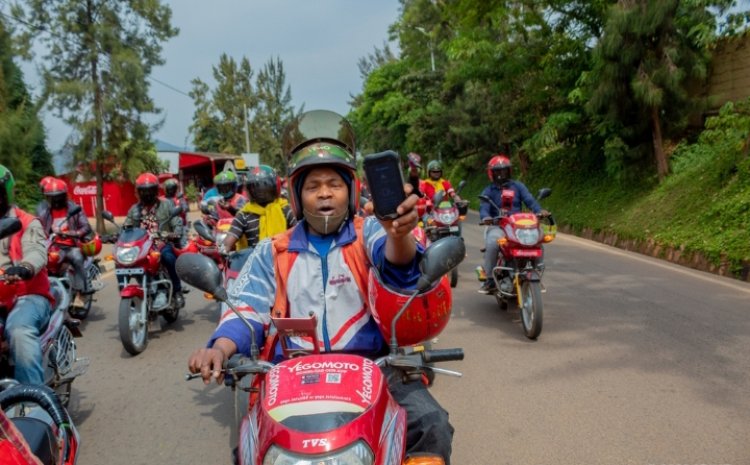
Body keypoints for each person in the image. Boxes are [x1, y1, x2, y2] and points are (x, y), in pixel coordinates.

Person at [188, 110, 455, 463]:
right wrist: (220, 349)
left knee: (432, 425)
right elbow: (246, 307)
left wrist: (398, 234)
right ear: (297, 195)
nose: (325, 193)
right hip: (292, 379)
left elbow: (399, 266)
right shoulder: (273, 251)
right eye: (313, 186)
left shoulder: (370, 233)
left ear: (351, 191)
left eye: (334, 184)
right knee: (249, 450)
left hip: (375, 368)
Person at [0, 165, 53, 385]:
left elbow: (36, 251)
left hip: (28, 294)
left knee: (19, 331)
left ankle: (32, 399)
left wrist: (25, 267)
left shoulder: (27, 222)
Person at [478, 154, 549, 294]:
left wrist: (539, 211)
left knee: (538, 239)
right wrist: (486, 217)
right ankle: (490, 279)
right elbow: (484, 207)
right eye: (498, 171)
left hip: (518, 226)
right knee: (492, 243)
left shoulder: (518, 186)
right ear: (492, 173)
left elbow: (530, 200)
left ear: (509, 171)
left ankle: (536, 274)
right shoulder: (488, 191)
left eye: (504, 170)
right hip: (498, 226)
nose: (501, 174)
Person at [122, 172, 185, 308]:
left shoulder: (166, 205)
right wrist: (118, 235)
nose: (147, 194)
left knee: (168, 257)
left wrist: (176, 232)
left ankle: (177, 291)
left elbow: (176, 222)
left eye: (150, 190)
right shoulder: (134, 210)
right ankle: (125, 289)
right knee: (121, 262)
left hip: (161, 243)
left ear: (156, 190)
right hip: (140, 247)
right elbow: (126, 227)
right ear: (138, 192)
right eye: (143, 191)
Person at [36, 178, 93, 308]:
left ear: (64, 196)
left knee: (77, 256)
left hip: (71, 246)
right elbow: (38, 227)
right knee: (40, 263)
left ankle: (81, 293)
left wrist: (69, 233)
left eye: (58, 196)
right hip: (53, 247)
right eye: (51, 197)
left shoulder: (74, 209)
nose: (55, 200)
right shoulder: (45, 212)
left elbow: (86, 227)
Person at [222, 165, 296, 253]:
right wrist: (223, 249)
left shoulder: (285, 209)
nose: (260, 192)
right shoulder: (244, 215)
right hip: (253, 260)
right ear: (249, 190)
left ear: (274, 186)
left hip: (283, 258)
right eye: (255, 187)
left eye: (264, 186)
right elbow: (229, 239)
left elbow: (299, 232)